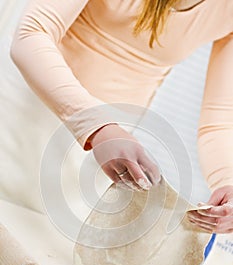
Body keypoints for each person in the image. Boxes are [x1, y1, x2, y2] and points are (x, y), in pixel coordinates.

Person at [10, 0, 233, 233]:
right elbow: (32, 33)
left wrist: (227, 182)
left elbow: (218, 121)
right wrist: (97, 126)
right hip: (29, 112)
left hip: (106, 151)